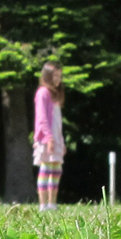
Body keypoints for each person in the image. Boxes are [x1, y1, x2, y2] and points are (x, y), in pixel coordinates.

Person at [33, 61, 65, 211]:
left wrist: (61, 141)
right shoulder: (43, 93)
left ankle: (53, 203)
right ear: (47, 76)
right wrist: (49, 138)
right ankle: (43, 204)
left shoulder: (56, 96)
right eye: (55, 76)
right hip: (47, 139)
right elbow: (42, 118)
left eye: (60, 76)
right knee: (46, 169)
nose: (58, 79)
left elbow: (58, 123)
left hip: (56, 138)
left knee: (56, 170)